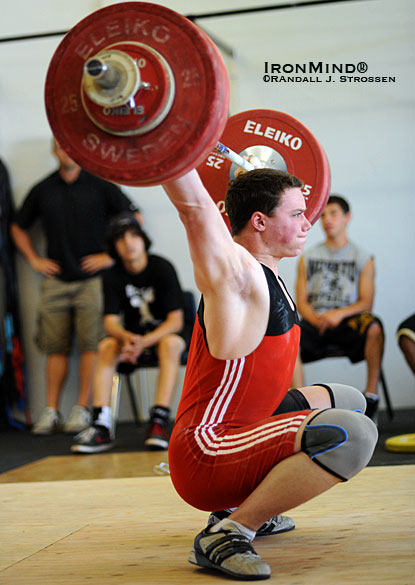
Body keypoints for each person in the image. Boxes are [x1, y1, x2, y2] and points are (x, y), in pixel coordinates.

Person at [161, 168, 378, 580]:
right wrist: (167, 148)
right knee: (353, 434)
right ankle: (231, 530)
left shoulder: (274, 274)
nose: (308, 222)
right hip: (207, 451)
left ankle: (249, 505)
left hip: (248, 426)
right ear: (259, 221)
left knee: (351, 401)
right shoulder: (239, 276)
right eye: (297, 213)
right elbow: (192, 208)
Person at [10, 140, 140, 435]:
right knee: (55, 348)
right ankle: (51, 410)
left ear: (79, 150)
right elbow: (18, 226)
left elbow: (134, 218)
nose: (65, 151)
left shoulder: (100, 185)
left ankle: (82, 409)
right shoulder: (44, 189)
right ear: (54, 151)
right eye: (60, 147)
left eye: (69, 147)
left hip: (93, 282)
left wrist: (110, 256)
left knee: (91, 346)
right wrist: (34, 260)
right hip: (55, 281)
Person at [71, 212, 189, 453]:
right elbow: (111, 322)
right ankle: (102, 424)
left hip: (165, 336)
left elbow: (176, 321)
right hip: (134, 337)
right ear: (114, 247)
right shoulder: (112, 275)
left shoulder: (161, 267)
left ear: (143, 239)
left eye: (134, 236)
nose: (129, 243)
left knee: (170, 344)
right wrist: (127, 339)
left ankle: (159, 419)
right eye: (121, 239)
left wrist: (143, 342)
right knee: (106, 346)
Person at [292, 194, 385, 421]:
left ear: (347, 217)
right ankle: (302, 408)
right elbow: (300, 301)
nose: (327, 220)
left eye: (333, 213)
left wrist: (337, 314)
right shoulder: (308, 257)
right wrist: (317, 319)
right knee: (289, 334)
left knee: (374, 327)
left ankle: (371, 397)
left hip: (346, 322)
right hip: (316, 321)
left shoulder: (363, 258)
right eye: (323, 215)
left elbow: (366, 302)